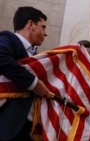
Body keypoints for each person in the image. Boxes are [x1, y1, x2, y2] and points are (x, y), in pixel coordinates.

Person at [0, 6, 51, 141]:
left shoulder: (35, 56)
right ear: (31, 24)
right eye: (43, 27)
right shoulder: (9, 39)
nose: (45, 33)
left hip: (27, 128)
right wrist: (33, 83)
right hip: (8, 126)